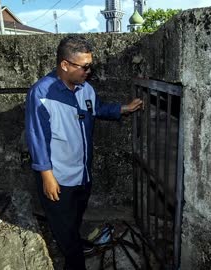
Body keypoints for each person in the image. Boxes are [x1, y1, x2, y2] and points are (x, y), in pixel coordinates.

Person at [25, 35, 142, 270]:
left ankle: (74, 245)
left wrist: (122, 108)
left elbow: (95, 109)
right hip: (58, 178)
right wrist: (46, 176)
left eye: (91, 65)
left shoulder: (86, 89)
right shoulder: (41, 93)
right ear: (65, 65)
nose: (89, 71)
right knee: (65, 231)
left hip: (83, 174)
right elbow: (37, 137)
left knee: (75, 219)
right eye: (84, 66)